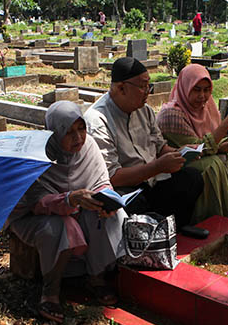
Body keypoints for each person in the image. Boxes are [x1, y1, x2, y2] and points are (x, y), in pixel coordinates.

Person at [8, 102, 125, 323]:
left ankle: (96, 277)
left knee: (105, 212)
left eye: (81, 129)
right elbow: (37, 202)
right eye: (69, 132)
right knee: (60, 227)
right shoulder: (38, 155)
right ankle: (50, 292)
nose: (78, 137)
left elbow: (101, 182)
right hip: (35, 217)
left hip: (76, 208)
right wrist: (71, 198)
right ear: (54, 133)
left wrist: (104, 199)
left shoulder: (88, 147)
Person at [84, 57, 205, 235]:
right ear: (121, 88)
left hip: (153, 181)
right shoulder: (98, 120)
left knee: (192, 178)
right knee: (135, 205)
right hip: (127, 189)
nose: (147, 92)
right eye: (142, 86)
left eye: (149, 86)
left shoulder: (144, 110)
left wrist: (180, 153)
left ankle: (177, 227)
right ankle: (153, 238)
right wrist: (157, 166)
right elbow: (113, 177)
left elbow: (159, 146)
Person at [157, 64, 228, 223]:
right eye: (196, 90)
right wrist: (225, 125)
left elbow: (218, 145)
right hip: (178, 170)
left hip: (203, 157)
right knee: (212, 165)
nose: (202, 96)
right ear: (185, 88)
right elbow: (198, 149)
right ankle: (208, 221)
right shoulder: (171, 114)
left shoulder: (208, 108)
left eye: (206, 90)